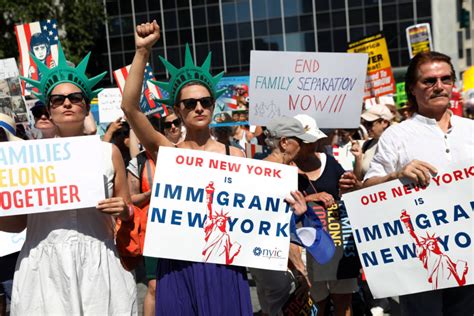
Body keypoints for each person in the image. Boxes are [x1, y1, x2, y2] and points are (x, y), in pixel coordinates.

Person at [3, 42, 138, 314]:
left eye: (75, 98)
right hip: (44, 267)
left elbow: (127, 211)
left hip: (97, 264)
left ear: (86, 107)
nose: (67, 103)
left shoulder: (108, 152)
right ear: (49, 111)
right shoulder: (26, 157)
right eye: (58, 99)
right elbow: (17, 225)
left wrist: (123, 209)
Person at [363, 51, 474, 316]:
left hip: (470, 255)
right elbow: (367, 190)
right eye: (429, 81)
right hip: (420, 261)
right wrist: (396, 175)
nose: (439, 86)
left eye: (445, 79)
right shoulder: (396, 136)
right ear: (412, 88)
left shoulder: (471, 130)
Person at [293, 114, 361, 316]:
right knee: (315, 304)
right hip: (305, 246)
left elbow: (346, 192)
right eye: (306, 142)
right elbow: (278, 207)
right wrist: (311, 197)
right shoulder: (284, 169)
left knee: (343, 300)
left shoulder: (329, 161)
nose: (312, 146)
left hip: (337, 239)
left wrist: (353, 182)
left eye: (315, 140)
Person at [350, 103, 393, 181]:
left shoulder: (397, 142)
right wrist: (358, 157)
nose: (366, 127)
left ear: (385, 123)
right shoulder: (366, 145)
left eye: (369, 124)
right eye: (364, 123)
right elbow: (358, 179)